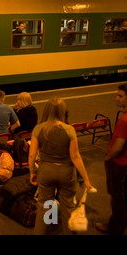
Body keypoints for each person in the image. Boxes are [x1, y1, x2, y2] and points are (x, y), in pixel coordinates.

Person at [28, 98, 92, 235]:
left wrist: (32, 172)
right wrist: (86, 179)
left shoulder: (38, 129)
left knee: (45, 204)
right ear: (63, 111)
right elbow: (75, 156)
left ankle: (44, 229)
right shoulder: (69, 130)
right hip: (66, 172)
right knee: (68, 205)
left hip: (46, 171)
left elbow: (32, 155)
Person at [96, 83, 127, 235]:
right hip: (125, 165)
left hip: (118, 164)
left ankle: (116, 227)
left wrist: (107, 157)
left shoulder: (124, 121)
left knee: (117, 197)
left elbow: (118, 146)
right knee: (123, 195)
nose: (116, 98)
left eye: (120, 96)